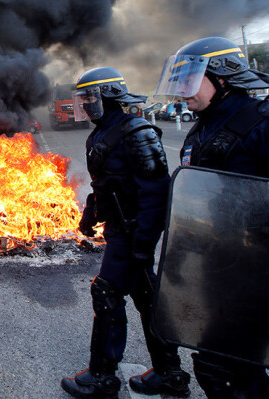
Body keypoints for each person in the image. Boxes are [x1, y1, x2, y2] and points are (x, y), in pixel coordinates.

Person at [61, 67, 190, 399]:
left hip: (132, 233)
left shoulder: (137, 131)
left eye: (91, 98)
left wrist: (144, 244)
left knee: (105, 293)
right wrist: (89, 216)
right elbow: (104, 185)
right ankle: (170, 373)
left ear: (108, 96)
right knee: (148, 299)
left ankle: (102, 377)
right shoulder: (103, 132)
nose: (87, 105)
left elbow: (156, 192)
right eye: (83, 99)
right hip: (119, 230)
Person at [154, 36, 269, 398]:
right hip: (218, 265)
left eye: (191, 80)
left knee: (231, 368)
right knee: (218, 364)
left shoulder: (259, 124)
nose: (183, 91)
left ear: (222, 78)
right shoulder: (202, 126)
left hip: (255, 269)